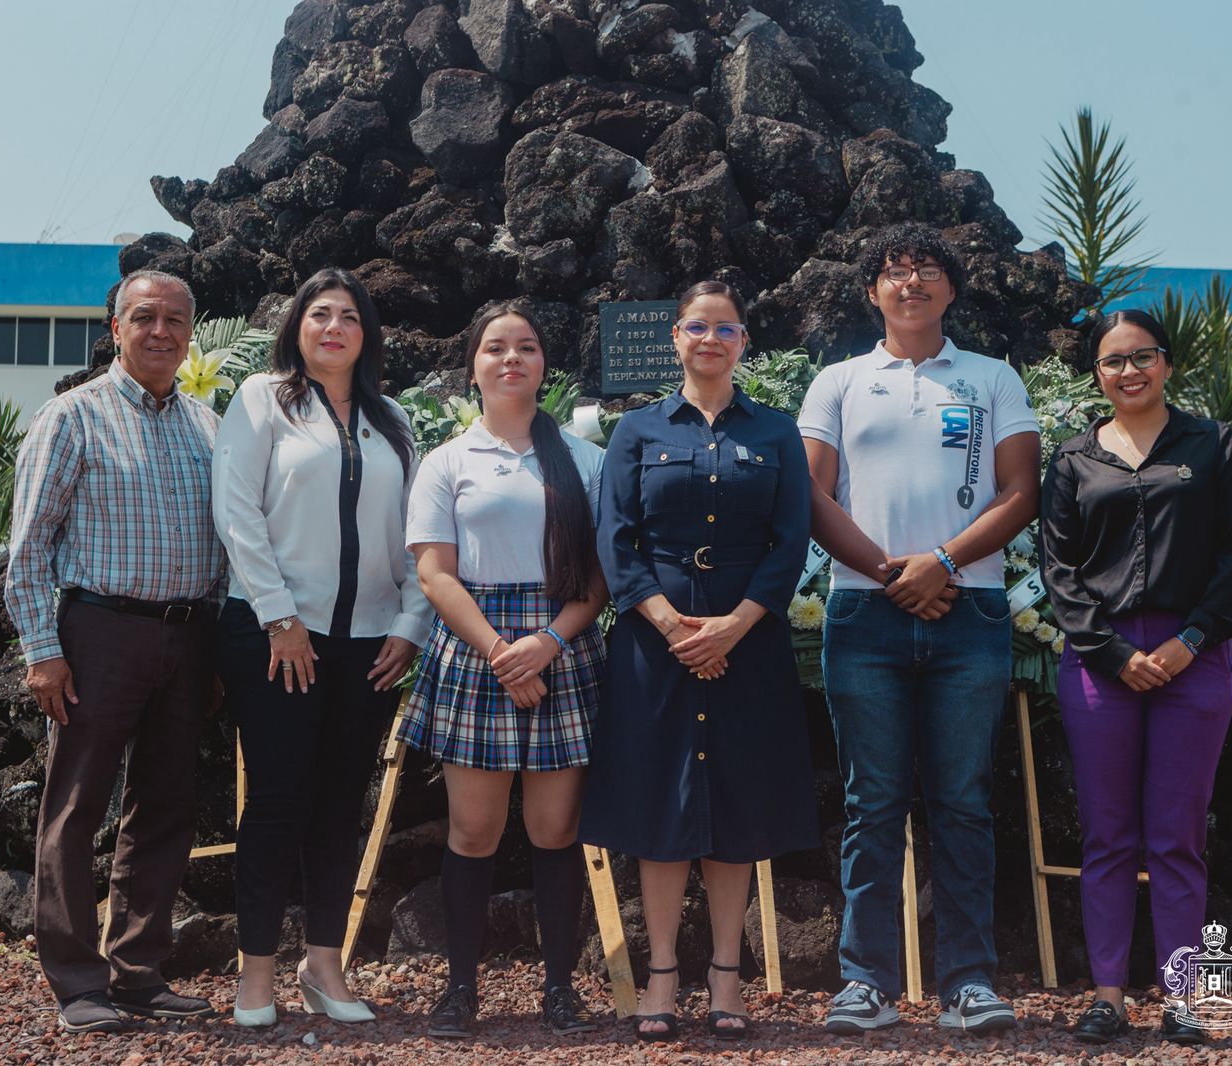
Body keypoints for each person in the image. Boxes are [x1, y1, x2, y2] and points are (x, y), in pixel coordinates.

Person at [798, 222, 1040, 1034]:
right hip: (864, 611)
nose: (911, 283)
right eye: (895, 272)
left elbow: (1019, 492)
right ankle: (865, 983)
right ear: (872, 292)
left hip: (968, 611)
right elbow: (813, 494)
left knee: (963, 802)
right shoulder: (838, 381)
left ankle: (969, 982)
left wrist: (939, 562)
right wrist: (891, 574)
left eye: (927, 270)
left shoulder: (992, 378)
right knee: (872, 803)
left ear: (951, 289)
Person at [581, 280, 818, 1043]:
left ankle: (724, 973)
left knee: (736, 804)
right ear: (676, 339)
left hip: (748, 646)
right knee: (659, 807)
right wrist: (673, 624)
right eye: (696, 326)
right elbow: (615, 538)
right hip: (656, 648)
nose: (710, 339)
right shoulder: (638, 431)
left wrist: (733, 627)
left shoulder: (777, 432)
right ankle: (659, 977)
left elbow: (792, 541)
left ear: (743, 341)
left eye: (725, 328)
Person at [211, 268, 431, 1026]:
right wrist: (279, 616)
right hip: (275, 639)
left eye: (349, 317)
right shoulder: (261, 401)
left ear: (366, 334)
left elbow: (417, 538)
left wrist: (409, 627)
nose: (333, 327)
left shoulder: (393, 419)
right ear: (297, 327)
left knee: (342, 803)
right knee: (276, 800)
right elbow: (237, 510)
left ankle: (325, 966)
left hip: (369, 644)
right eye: (319, 314)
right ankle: (256, 976)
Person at [6, 270, 223, 1034]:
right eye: (144, 318)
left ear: (191, 331)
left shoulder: (208, 425)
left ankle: (138, 971)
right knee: (75, 806)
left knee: (165, 804)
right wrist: (42, 650)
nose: (160, 332)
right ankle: (76, 982)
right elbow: (28, 549)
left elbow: (228, 540)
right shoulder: (72, 418)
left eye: (174, 319)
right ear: (115, 327)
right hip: (98, 633)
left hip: (189, 634)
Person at [1039, 310, 1232, 1046]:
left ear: (1166, 363)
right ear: (1095, 374)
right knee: (1107, 834)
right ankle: (1107, 994)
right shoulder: (1072, 460)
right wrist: (1108, 651)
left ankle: (1182, 993)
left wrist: (1189, 640)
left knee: (1177, 835)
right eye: (1112, 362)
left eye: (1142, 357)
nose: (1128, 372)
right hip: (1101, 662)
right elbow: (1059, 571)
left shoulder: (1214, 446)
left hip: (1193, 657)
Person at [398, 302, 609, 1039]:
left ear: (545, 364)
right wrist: (500, 651)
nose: (511, 358)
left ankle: (560, 988)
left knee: (556, 829)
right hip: (475, 647)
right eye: (495, 347)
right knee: (475, 829)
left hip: (563, 647)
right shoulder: (449, 459)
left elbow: (599, 579)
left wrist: (546, 642)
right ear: (474, 366)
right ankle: (460, 990)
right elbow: (434, 575)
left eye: (525, 347)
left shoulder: (585, 460)